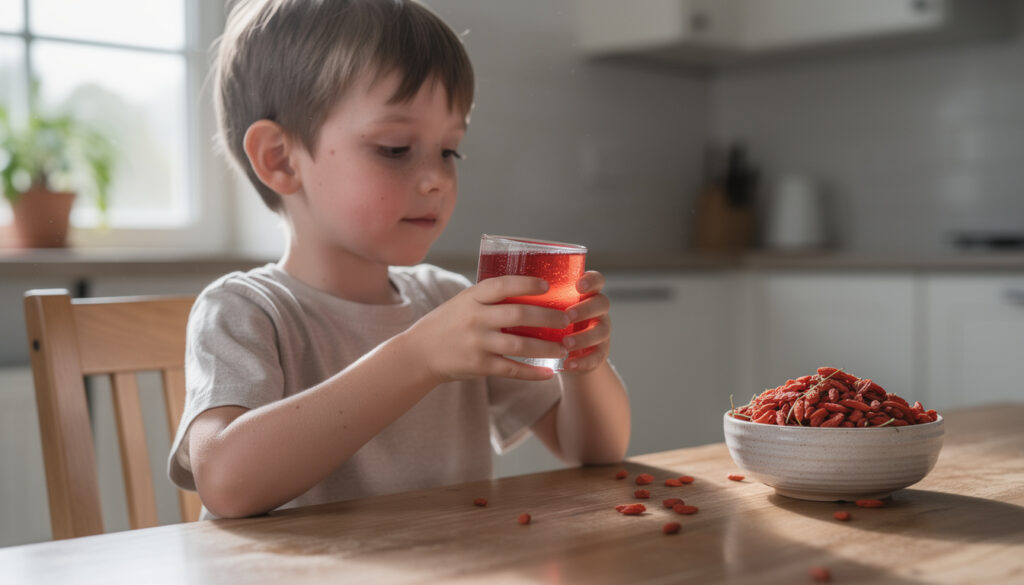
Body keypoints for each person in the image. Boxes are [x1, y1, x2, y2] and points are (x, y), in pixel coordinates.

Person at [168, 0, 630, 519]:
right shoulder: (245, 310)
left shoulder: (445, 300)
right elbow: (225, 483)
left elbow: (593, 451)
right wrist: (418, 358)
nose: (437, 179)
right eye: (394, 148)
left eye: (449, 151)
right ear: (280, 159)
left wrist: (582, 365)